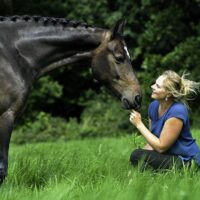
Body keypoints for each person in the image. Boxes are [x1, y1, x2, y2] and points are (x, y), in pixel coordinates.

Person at [129, 70, 200, 170]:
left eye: (158, 86)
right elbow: (153, 139)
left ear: (168, 94)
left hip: (187, 160)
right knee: (137, 155)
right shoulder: (153, 106)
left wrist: (139, 124)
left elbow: (161, 147)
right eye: (155, 83)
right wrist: (143, 154)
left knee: (137, 155)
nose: (152, 87)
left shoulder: (177, 111)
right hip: (170, 156)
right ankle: (152, 173)